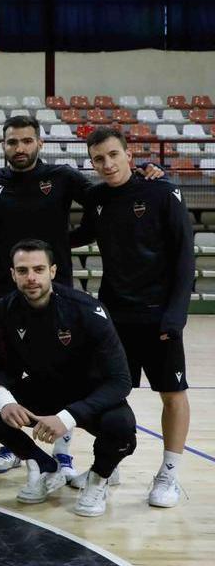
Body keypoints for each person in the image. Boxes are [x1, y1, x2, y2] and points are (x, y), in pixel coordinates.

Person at [0, 115, 160, 476]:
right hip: (8, 290)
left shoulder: (61, 178)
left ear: (40, 143)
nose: (20, 148)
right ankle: (13, 444)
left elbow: (103, 199)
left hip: (55, 291)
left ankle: (63, 448)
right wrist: (2, 247)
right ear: (3, 146)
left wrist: (143, 173)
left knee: (64, 371)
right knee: (11, 368)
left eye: (27, 141)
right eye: (12, 142)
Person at [0, 239, 136, 517]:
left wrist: (66, 418)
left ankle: (98, 478)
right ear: (13, 274)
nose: (31, 278)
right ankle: (44, 465)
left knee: (122, 427)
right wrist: (6, 401)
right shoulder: (4, 311)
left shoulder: (87, 311)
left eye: (38, 269)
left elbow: (120, 381)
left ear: (53, 271)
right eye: (22, 271)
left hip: (89, 395)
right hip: (42, 391)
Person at [75, 127, 193, 507]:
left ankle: (169, 474)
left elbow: (185, 259)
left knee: (172, 394)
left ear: (130, 154)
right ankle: (109, 464)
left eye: (113, 155)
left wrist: (175, 317)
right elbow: (79, 235)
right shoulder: (95, 198)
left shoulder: (162, 191)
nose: (107, 164)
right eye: (98, 159)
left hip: (159, 317)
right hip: (114, 316)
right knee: (108, 393)